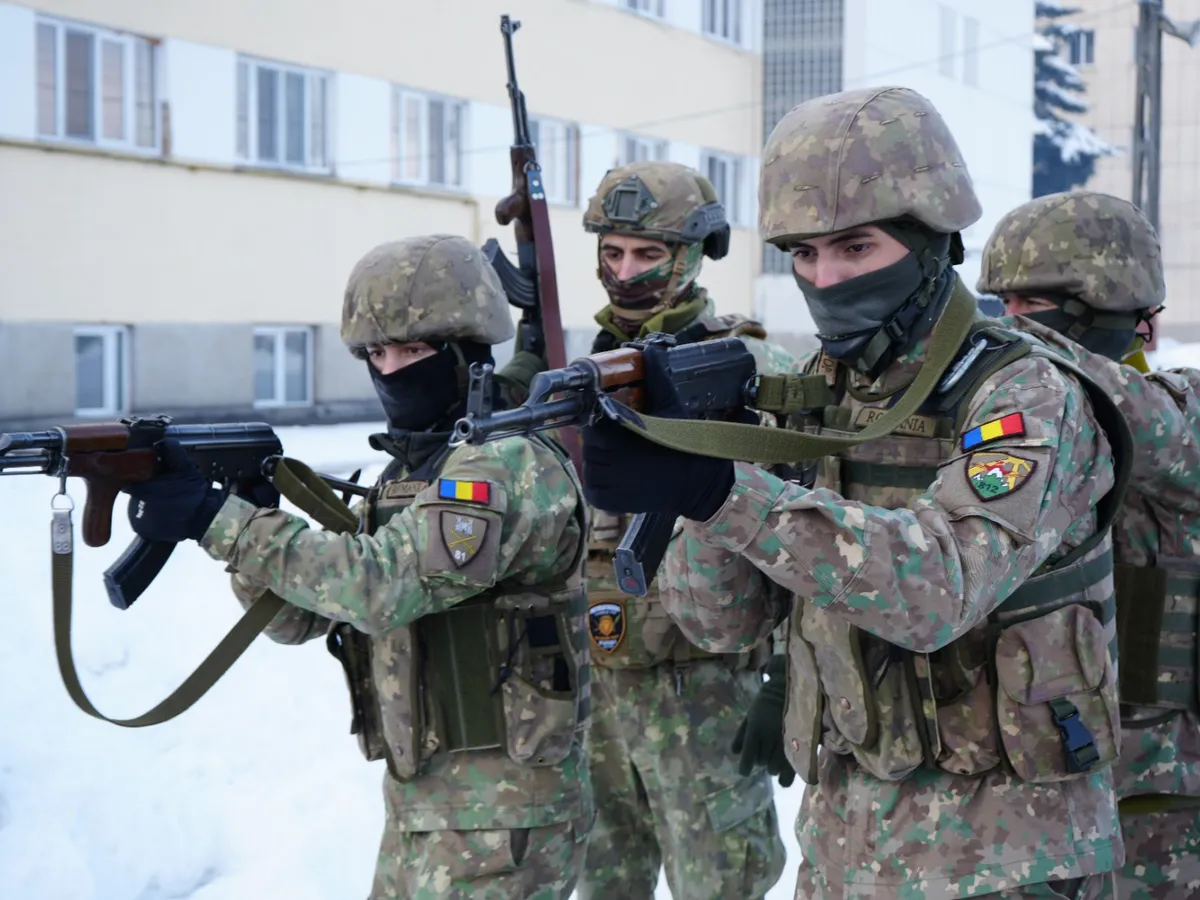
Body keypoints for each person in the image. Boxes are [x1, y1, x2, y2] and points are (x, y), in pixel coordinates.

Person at [578, 86, 1132, 899]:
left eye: (855, 248)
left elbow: (939, 590)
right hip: (846, 851)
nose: (824, 278)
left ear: (932, 240)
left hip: (1007, 860)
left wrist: (723, 488)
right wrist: (690, 461)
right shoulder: (821, 393)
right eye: (803, 253)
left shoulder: (1025, 393)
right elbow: (721, 621)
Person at [118, 234, 594, 900]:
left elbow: (382, 586)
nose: (391, 369)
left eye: (414, 351)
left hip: (505, 817)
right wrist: (245, 524)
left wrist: (218, 521)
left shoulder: (506, 464)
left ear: (465, 351)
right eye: (376, 353)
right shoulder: (415, 471)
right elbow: (298, 621)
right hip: (424, 803)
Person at [978, 190, 1200, 900]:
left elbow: (1141, 423)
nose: (1010, 325)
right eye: (1001, 306)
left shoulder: (1173, 410)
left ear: (1124, 311)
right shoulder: (1013, 422)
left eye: (1033, 306)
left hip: (1164, 792)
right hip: (1042, 784)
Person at [576, 160, 788, 900]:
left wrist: (787, 674)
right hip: (595, 686)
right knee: (602, 882)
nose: (625, 273)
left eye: (647, 254)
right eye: (612, 252)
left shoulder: (749, 366)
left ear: (693, 254)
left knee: (723, 884)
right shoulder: (581, 371)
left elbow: (807, 528)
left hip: (703, 690)